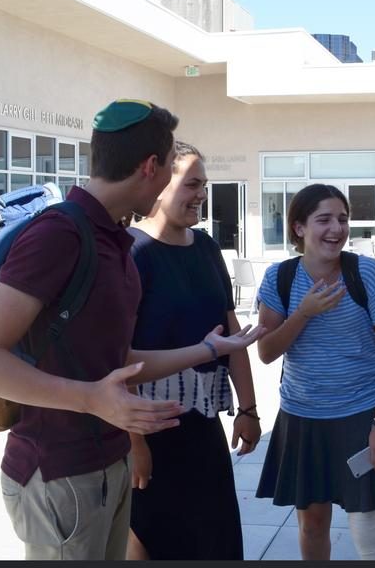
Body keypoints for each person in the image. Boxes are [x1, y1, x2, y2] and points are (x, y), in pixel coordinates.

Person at [0, 100, 264, 561]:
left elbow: (119, 363)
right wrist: (91, 399)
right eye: (172, 173)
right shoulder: (60, 235)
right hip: (60, 476)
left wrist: (208, 348)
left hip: (106, 463)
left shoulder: (112, 239)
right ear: (150, 167)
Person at [254, 183, 375, 561]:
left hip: (360, 418)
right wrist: (303, 312)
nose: (336, 229)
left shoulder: (365, 273)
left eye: (342, 219)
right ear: (299, 228)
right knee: (312, 524)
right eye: (323, 219)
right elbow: (267, 351)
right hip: (302, 419)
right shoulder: (280, 279)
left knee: (370, 529)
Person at [125, 142, 260, 560]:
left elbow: (232, 335)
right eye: (192, 183)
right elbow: (114, 357)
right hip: (149, 431)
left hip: (203, 429)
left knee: (213, 541)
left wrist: (249, 410)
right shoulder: (130, 253)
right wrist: (134, 444)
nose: (201, 194)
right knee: (149, 540)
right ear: (160, 183)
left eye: (204, 184)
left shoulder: (205, 247)